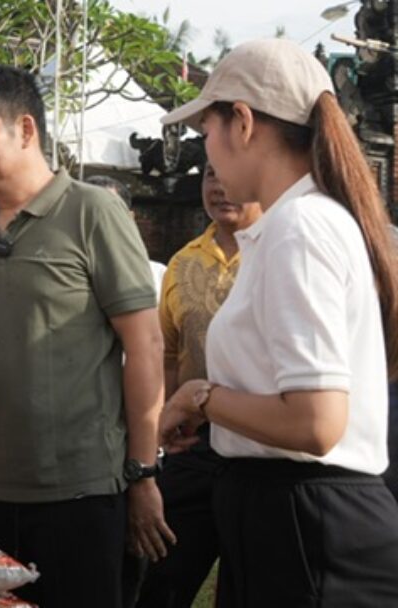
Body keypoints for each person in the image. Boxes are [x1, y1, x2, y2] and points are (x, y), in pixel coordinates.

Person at [0, 66, 168, 607]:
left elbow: (145, 347)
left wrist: (142, 474)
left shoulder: (92, 212)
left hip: (82, 494)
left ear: (25, 130)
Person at [158, 39, 398, 607]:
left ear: (241, 122)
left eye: (207, 132)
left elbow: (316, 422)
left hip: (306, 525)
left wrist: (200, 397)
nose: (207, 154)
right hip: (282, 517)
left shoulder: (302, 229)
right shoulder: (290, 227)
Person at [126, 163, 262, 608]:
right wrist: (157, 432)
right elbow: (167, 356)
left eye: (228, 176)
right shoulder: (182, 262)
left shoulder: (279, 254)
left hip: (263, 447)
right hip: (193, 448)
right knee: (164, 578)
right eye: (209, 176)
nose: (219, 187)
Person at [86, 174, 167, 297]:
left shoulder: (158, 277)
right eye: (87, 213)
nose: (97, 222)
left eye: (109, 213)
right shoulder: (58, 277)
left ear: (129, 218)